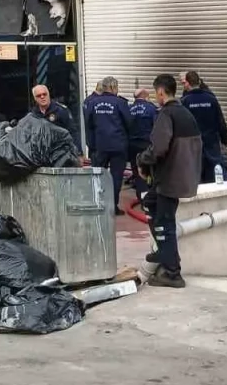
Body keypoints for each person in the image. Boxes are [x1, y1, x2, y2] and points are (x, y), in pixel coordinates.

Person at [137, 73, 202, 288]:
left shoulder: (166, 114)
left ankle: (172, 272)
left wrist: (141, 160)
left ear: (161, 92)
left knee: (164, 223)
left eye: (157, 93)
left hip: (170, 179)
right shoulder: (185, 113)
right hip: (184, 176)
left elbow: (159, 148)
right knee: (150, 204)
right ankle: (165, 253)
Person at [84, 76, 132, 215]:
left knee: (98, 176)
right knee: (116, 177)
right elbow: (129, 123)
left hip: (100, 146)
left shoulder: (92, 103)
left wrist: (91, 145)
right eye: (116, 87)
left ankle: (98, 203)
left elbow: (89, 125)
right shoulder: (120, 103)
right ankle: (113, 207)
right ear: (112, 88)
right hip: (118, 146)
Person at [180, 70, 227, 184]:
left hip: (192, 144)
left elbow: (181, 124)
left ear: (187, 83)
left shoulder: (184, 101)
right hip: (211, 143)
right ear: (199, 81)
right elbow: (220, 120)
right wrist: (225, 139)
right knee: (216, 174)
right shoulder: (211, 99)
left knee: (195, 176)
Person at [127, 87, 159, 203]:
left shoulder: (128, 109)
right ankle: (151, 197)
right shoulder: (151, 108)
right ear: (146, 96)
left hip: (132, 146)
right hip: (147, 145)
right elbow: (156, 126)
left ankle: (141, 197)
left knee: (137, 172)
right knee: (150, 171)